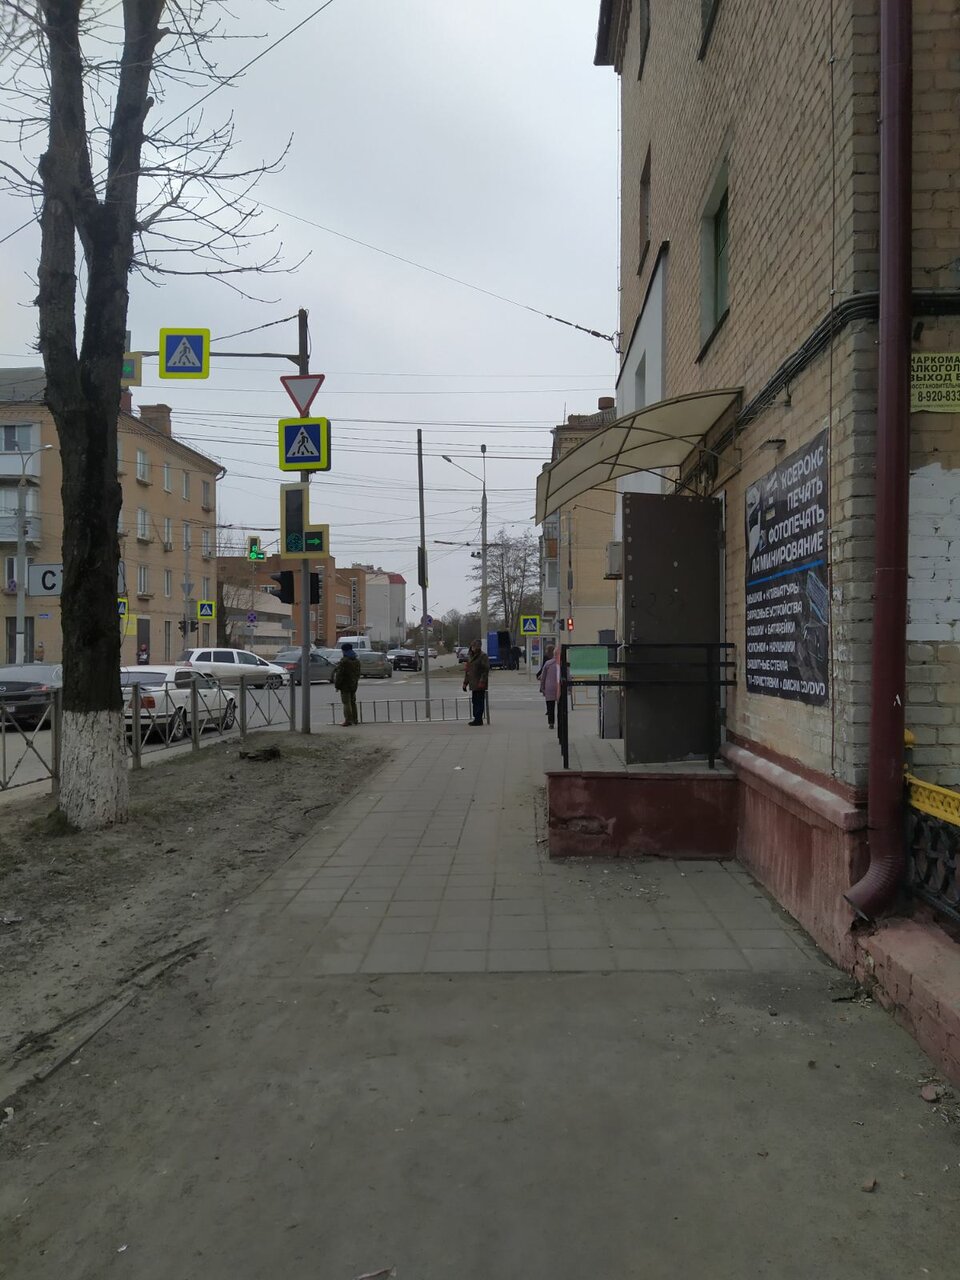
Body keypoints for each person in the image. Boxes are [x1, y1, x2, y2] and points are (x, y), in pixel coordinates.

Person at [461, 639, 490, 727]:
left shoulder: (483, 656)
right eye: (472, 646)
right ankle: (476, 718)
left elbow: (485, 670)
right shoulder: (470, 656)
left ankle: (478, 719)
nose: (473, 648)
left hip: (480, 683)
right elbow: (468, 671)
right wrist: (465, 683)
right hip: (473, 683)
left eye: (474, 646)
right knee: (474, 701)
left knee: (479, 701)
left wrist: (482, 681)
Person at [334, 642, 361, 726]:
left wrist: (337, 685)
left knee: (346, 702)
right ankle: (355, 719)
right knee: (353, 702)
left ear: (344, 651)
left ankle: (348, 720)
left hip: (345, 685)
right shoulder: (356, 660)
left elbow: (339, 675)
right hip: (354, 684)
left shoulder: (344, 661)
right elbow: (358, 673)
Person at [537, 643, 560, 729]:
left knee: (550, 706)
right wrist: (569, 688)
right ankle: (561, 721)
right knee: (561, 706)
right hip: (560, 687)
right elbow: (568, 676)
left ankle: (551, 723)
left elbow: (543, 677)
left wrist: (542, 688)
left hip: (549, 687)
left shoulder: (548, 663)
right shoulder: (562, 664)